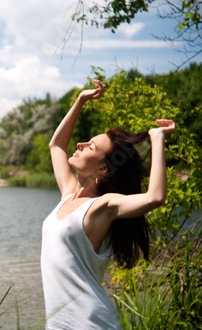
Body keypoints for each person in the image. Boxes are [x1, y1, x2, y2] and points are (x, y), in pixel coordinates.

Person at [40, 80, 175, 329]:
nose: (79, 145)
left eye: (90, 146)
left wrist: (157, 139)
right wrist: (80, 100)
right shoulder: (69, 194)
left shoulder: (102, 206)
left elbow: (155, 197)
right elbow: (57, 145)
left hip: (92, 323)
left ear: (103, 168)